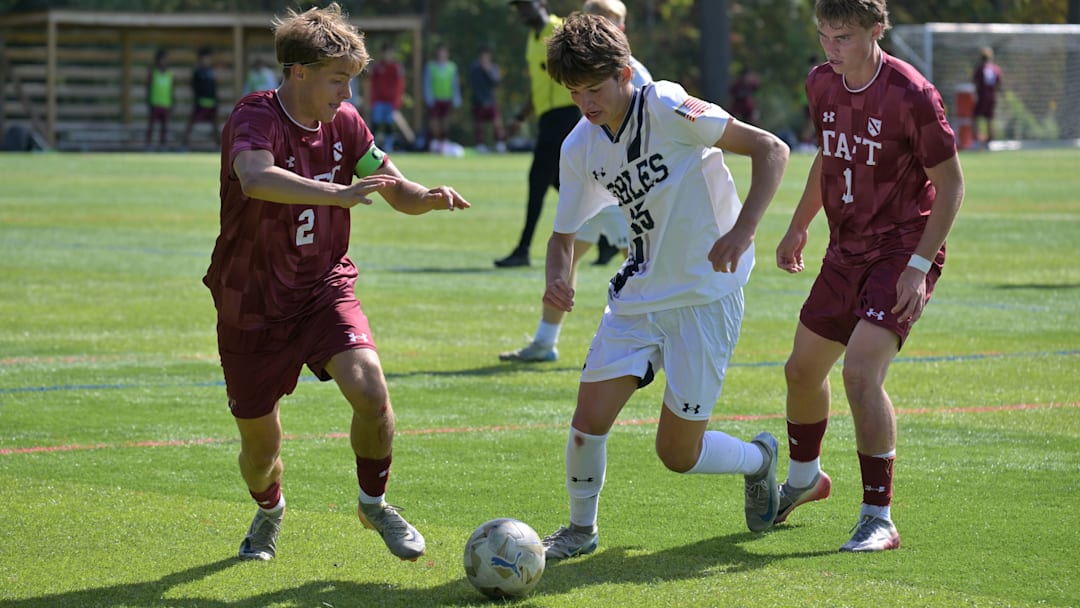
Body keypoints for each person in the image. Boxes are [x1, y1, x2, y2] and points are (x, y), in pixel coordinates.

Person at [202, 2, 471, 564]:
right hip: (252, 302)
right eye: (337, 80)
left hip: (323, 287)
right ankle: (270, 509)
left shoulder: (346, 122)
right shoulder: (255, 116)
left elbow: (390, 183)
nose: (347, 94)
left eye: (351, 80)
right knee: (261, 453)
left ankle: (374, 504)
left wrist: (425, 197)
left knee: (371, 392)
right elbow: (255, 178)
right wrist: (336, 194)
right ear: (299, 72)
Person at [536, 13, 791, 561]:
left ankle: (760, 460)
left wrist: (743, 231)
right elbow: (562, 237)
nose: (585, 103)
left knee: (677, 454)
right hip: (638, 297)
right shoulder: (579, 147)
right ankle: (580, 529)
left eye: (595, 89)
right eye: (575, 92)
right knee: (586, 423)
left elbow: (772, 149)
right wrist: (558, 276)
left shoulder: (668, 106)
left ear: (625, 73)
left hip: (705, 297)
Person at [770, 0, 965, 553]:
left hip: (901, 249)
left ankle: (879, 517)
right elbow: (829, 156)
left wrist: (918, 267)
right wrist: (799, 225)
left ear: (877, 30)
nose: (831, 49)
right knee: (801, 371)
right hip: (845, 249)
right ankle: (805, 479)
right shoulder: (821, 83)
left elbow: (951, 185)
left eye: (844, 38)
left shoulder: (912, 93)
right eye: (824, 35)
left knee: (859, 373)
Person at [498, 0, 651, 363]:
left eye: (610, 23)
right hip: (596, 184)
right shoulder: (584, 78)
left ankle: (652, 338)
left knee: (644, 263)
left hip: (622, 192)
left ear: (621, 29)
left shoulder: (636, 76)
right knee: (568, 256)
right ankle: (545, 341)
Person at [494, 0, 582, 268]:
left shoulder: (560, 29)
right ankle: (606, 238)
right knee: (558, 182)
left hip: (566, 114)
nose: (522, 11)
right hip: (548, 118)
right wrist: (521, 117)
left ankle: (523, 249)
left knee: (538, 179)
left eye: (526, 4)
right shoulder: (532, 41)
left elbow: (582, 67)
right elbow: (539, 88)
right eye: (518, 7)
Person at [366, 42, 406, 152]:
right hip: (379, 101)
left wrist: (397, 101)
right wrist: (372, 100)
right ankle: (372, 147)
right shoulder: (377, 67)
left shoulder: (395, 67)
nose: (387, 55)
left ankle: (389, 146)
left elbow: (400, 86)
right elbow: (372, 84)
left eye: (389, 53)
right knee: (376, 124)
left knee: (389, 125)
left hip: (391, 102)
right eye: (385, 53)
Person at [423, 45, 462, 154]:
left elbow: (455, 84)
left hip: (447, 99)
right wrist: (428, 97)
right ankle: (434, 142)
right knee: (434, 122)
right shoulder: (431, 66)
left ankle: (443, 142)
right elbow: (427, 83)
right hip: (435, 99)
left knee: (445, 122)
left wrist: (456, 98)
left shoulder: (452, 67)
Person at [468, 47, 507, 154]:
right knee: (479, 125)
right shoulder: (474, 69)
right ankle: (480, 145)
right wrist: (482, 101)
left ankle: (500, 144)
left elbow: (495, 82)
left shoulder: (493, 68)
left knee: (497, 123)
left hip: (491, 101)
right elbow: (474, 87)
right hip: (479, 102)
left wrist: (487, 71)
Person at [182, 46, 220, 148]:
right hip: (200, 102)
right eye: (206, 58)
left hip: (211, 102)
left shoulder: (211, 72)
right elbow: (193, 85)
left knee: (215, 124)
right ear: (201, 58)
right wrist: (197, 98)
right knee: (191, 122)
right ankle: (184, 143)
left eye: (209, 58)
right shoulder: (197, 71)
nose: (207, 60)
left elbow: (214, 87)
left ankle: (219, 144)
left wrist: (216, 100)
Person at [972, 46, 1003, 149]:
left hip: (982, 95)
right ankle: (990, 141)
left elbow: (976, 82)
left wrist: (976, 94)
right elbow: (999, 83)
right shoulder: (995, 68)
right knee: (990, 118)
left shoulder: (980, 68)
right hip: (991, 95)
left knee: (975, 117)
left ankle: (977, 140)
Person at [145, 48, 174, 150]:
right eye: (161, 59)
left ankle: (163, 145)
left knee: (164, 127)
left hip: (166, 103)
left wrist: (172, 102)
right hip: (155, 103)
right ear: (157, 60)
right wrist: (148, 101)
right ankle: (148, 144)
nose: (163, 61)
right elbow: (148, 87)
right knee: (152, 126)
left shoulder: (170, 74)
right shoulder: (153, 73)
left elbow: (172, 89)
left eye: (165, 59)